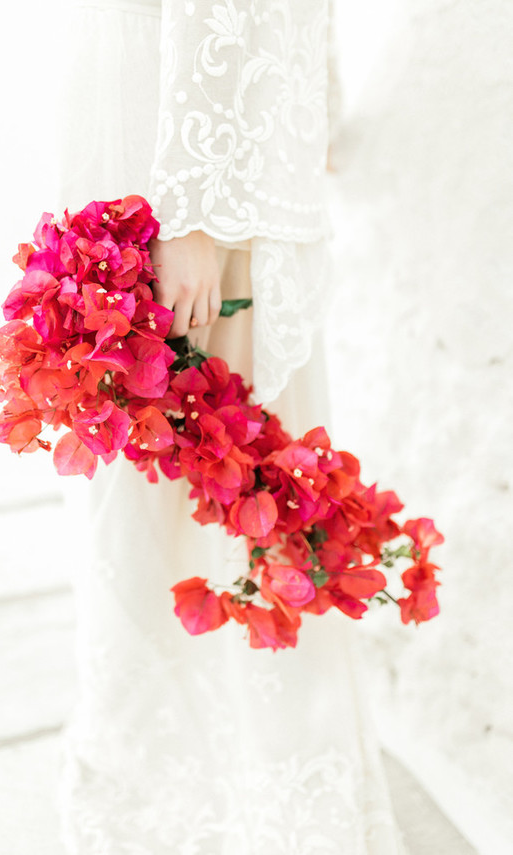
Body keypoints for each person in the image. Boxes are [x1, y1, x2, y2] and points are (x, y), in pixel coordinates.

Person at [56, 2, 407, 852]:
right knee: (174, 513)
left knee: (244, 509)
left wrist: (304, 106)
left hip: (234, 166)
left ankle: (244, 792)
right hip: (201, 171)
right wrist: (196, 212)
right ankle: (171, 797)